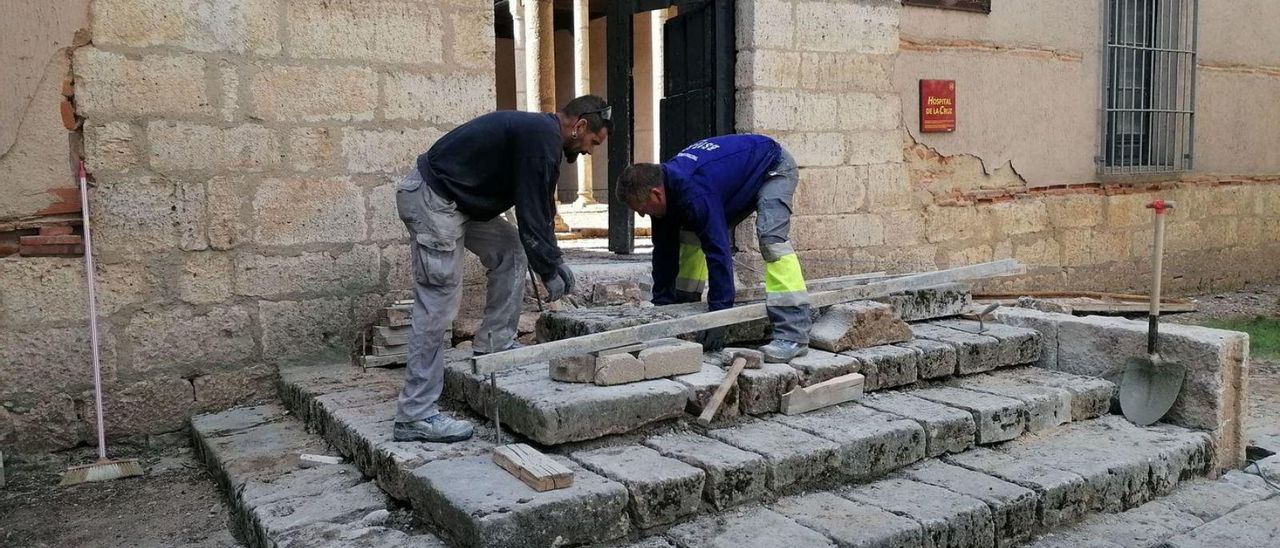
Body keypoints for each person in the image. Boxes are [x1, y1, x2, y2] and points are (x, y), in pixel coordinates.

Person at [392, 95, 612, 442]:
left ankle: (495, 344)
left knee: (510, 249)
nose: (589, 151)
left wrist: (553, 260)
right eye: (592, 142)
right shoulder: (542, 139)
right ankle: (415, 415)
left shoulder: (541, 137)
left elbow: (538, 209)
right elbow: (532, 212)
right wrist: (550, 267)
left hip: (459, 202)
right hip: (434, 199)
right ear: (579, 126)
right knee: (438, 305)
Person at [617, 134, 811, 363]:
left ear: (656, 194)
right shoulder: (662, 188)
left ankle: (793, 335)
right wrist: (663, 307)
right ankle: (683, 303)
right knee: (689, 234)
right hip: (735, 178)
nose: (642, 214)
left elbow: (718, 251)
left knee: (772, 241)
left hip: (772, 167)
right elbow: (664, 250)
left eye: (642, 209)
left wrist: (720, 317)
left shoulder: (693, 191)